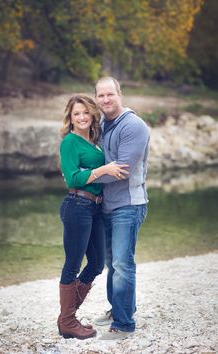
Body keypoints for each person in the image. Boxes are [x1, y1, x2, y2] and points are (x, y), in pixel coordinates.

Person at [57, 94, 129, 340]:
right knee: (73, 264)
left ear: (92, 114)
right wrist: (103, 170)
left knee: (98, 263)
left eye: (85, 112)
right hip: (77, 205)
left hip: (95, 208)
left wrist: (94, 172)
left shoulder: (95, 141)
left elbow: (85, 173)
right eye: (76, 114)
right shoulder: (70, 142)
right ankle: (67, 320)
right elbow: (73, 178)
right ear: (70, 117)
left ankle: (67, 316)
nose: (81, 117)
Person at [93, 77, 150, 340]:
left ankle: (124, 324)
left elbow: (121, 171)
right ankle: (118, 308)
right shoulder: (103, 123)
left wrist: (83, 176)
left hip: (128, 204)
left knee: (122, 263)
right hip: (106, 205)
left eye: (110, 95)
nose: (105, 100)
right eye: (101, 95)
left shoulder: (134, 126)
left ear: (120, 94)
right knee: (111, 264)